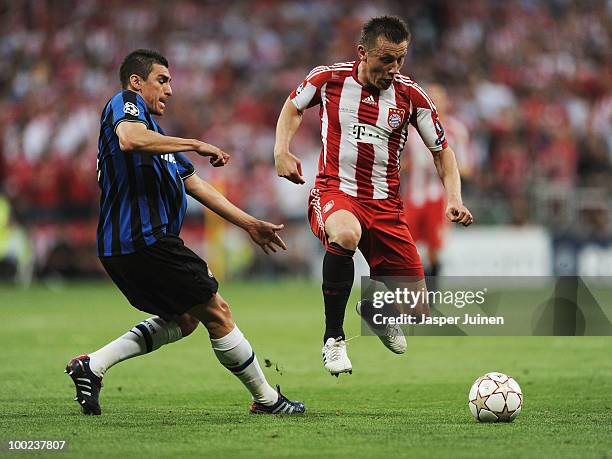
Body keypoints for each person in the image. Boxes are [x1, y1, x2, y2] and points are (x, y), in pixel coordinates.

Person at [65, 49, 304, 415]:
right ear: (136, 82)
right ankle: (267, 399)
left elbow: (195, 185)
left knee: (186, 318)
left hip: (128, 247)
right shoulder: (123, 105)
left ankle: (91, 365)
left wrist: (249, 223)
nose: (170, 90)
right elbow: (129, 139)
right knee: (217, 312)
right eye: (162, 80)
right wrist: (194, 142)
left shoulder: (160, 140)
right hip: (145, 240)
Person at [273, 17, 473, 376]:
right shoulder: (328, 78)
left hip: (386, 206)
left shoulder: (412, 96)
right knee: (346, 234)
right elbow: (293, 106)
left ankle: (377, 311)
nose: (393, 68)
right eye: (386, 59)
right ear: (362, 53)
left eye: (400, 59)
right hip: (335, 191)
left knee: (417, 310)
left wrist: (454, 198)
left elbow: (442, 151)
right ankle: (333, 338)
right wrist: (281, 150)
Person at [402, 84, 473, 292]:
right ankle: (409, 295)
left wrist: (444, 166)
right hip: (413, 196)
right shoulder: (410, 128)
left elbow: (467, 168)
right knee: (406, 247)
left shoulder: (456, 130)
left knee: (434, 249)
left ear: (445, 101)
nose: (432, 101)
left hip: (439, 198)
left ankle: (431, 297)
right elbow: (399, 162)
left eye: (437, 97)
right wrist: (408, 166)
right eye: (429, 97)